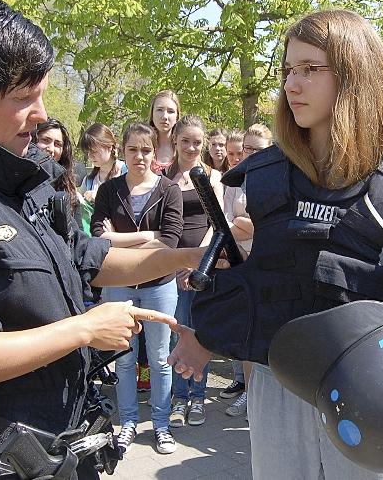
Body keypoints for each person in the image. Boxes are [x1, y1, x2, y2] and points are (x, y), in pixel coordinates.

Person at [0, 0, 201, 479]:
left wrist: (188, 255)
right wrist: (85, 329)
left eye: (41, 95)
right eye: (22, 98)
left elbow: (85, 258)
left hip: (61, 449)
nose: (41, 115)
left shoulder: (17, 183)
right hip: (0, 458)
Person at [167, 9, 383, 480]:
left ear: (354, 75)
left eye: (310, 69)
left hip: (371, 388)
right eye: (288, 70)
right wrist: (207, 337)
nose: (292, 84)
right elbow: (267, 283)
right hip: (278, 380)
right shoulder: (267, 175)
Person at [90, 121, 183, 455]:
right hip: (119, 286)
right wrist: (147, 236)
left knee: (159, 359)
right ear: (123, 151)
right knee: (125, 359)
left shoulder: (169, 189)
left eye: (146, 150)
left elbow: (170, 241)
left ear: (154, 152)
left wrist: (121, 240)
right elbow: (98, 239)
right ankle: (127, 423)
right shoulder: (109, 190)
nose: (140, 156)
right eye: (133, 149)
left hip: (159, 286)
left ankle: (161, 426)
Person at [167, 114, 224, 428]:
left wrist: (194, 263)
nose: (191, 147)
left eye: (197, 142)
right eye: (185, 140)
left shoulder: (212, 178)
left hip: (201, 269)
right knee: (176, 332)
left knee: (199, 332)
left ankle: (198, 397)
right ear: (175, 140)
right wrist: (171, 262)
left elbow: (216, 224)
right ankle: (178, 397)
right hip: (170, 269)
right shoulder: (167, 178)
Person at [220, 122, 273, 418]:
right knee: (247, 337)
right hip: (241, 264)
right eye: (246, 149)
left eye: (257, 149)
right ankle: (250, 395)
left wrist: (244, 225)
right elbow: (227, 224)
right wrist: (245, 225)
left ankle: (268, 401)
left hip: (268, 265)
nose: (250, 154)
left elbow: (267, 227)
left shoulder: (277, 179)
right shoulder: (233, 182)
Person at [34, 118, 84, 228]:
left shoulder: (68, 190)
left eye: (57, 144)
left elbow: (78, 234)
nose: (51, 149)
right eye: (45, 140)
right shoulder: (19, 182)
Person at [79, 123, 125, 204]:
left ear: (109, 147)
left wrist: (100, 197)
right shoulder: (88, 181)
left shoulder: (127, 173)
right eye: (87, 152)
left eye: (94, 151)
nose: (90, 156)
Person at [149, 90, 180, 173]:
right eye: (159, 110)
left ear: (177, 116)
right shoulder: (141, 145)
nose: (165, 116)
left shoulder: (184, 146)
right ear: (152, 114)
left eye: (170, 111)